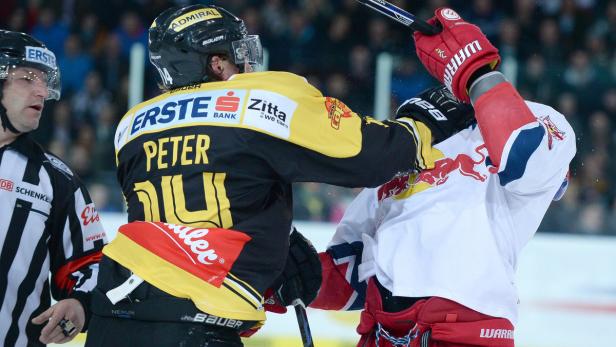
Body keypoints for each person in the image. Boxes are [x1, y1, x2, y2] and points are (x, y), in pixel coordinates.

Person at [84, 4, 475, 347]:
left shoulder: (132, 125)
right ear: (217, 63)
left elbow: (186, 200)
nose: (248, 65)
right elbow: (370, 158)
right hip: (194, 323)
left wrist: (274, 243)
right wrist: (424, 120)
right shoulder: (256, 98)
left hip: (114, 313)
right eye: (238, 54)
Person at [295, 8, 577, 347]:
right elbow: (350, 274)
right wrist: (278, 272)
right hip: (382, 332)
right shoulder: (402, 153)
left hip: (464, 331)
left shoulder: (542, 119)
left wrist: (478, 75)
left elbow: (524, 160)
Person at [0, 30, 107, 346]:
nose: (42, 91)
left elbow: (89, 263)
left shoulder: (56, 178)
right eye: (28, 78)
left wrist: (79, 304)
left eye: (44, 80)